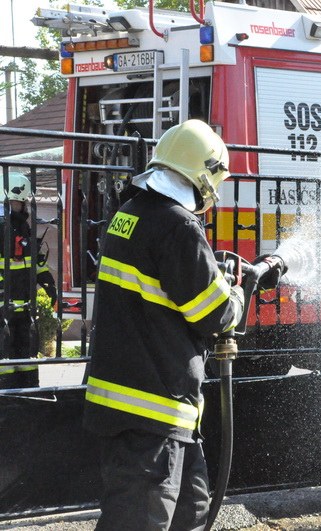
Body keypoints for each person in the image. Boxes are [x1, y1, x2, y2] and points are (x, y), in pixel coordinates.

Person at [82, 120, 245, 531]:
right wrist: (238, 295)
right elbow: (215, 313)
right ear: (204, 175)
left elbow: (160, 287)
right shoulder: (178, 225)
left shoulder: (130, 214)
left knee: (192, 511)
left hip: (150, 413)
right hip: (151, 414)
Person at [0, 172, 56, 388]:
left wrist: (47, 281)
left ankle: (30, 391)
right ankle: (7, 395)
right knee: (4, 350)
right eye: (21, 201)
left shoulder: (22, 227)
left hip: (24, 304)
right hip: (3, 305)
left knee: (27, 351)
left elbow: (33, 260)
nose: (25, 206)